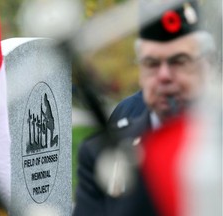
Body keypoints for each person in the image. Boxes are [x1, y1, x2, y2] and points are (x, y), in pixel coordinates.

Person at [73, 0, 216, 215]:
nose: (164, 76)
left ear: (208, 65)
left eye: (179, 61)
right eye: (152, 64)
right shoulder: (103, 153)